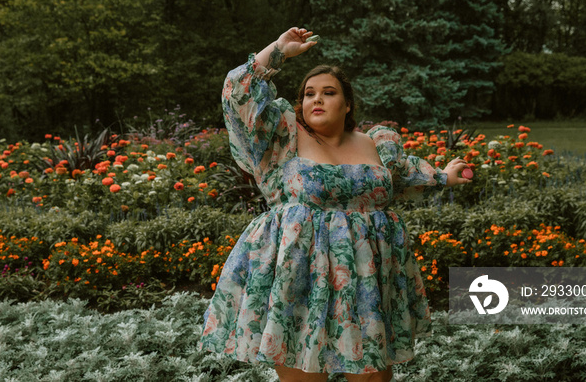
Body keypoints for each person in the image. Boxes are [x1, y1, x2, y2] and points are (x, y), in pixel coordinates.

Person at [199, 27, 471, 381]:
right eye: (309, 94)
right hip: (300, 277)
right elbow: (238, 90)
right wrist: (279, 50)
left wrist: (445, 176)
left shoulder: (376, 143)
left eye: (329, 93)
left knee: (373, 377)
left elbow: (404, 175)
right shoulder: (283, 137)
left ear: (348, 105)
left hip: (368, 278)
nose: (317, 99)